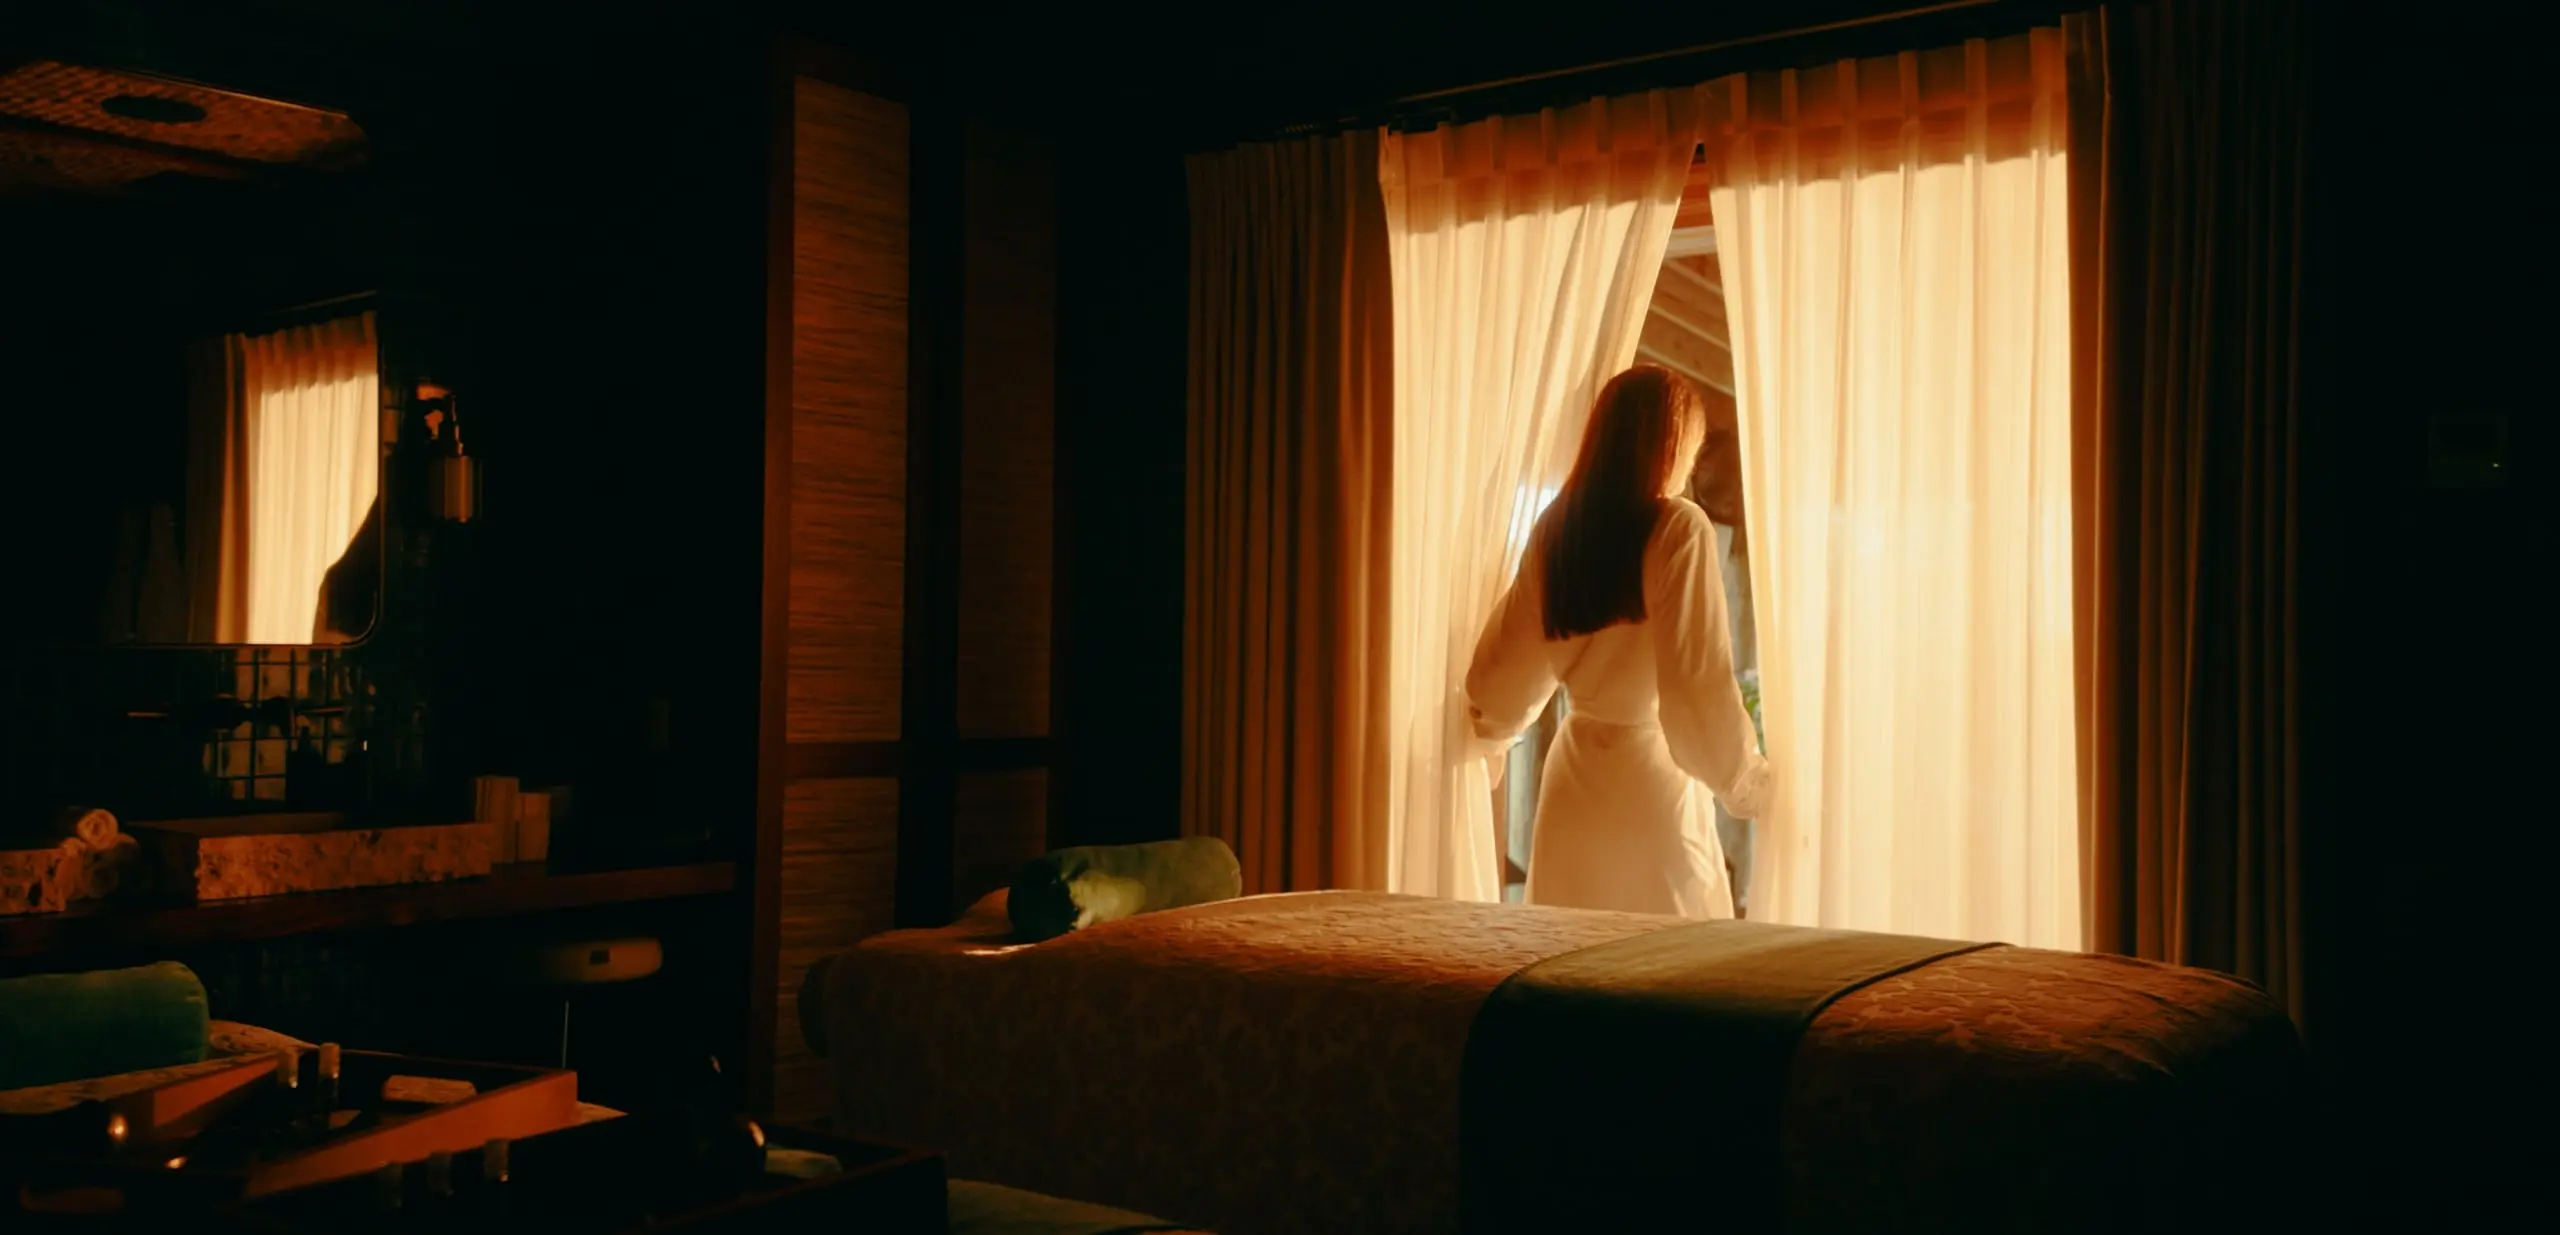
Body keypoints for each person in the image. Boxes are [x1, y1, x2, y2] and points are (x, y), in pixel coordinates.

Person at [1464, 364, 1769, 918]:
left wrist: (1489, 740)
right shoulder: (1679, 527)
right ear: (1669, 443)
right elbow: (1696, 686)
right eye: (1692, 449)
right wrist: (1745, 781)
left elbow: (1502, 684)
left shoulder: (1558, 529)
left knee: (1572, 979)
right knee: (1670, 981)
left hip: (1571, 794)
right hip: (1652, 792)